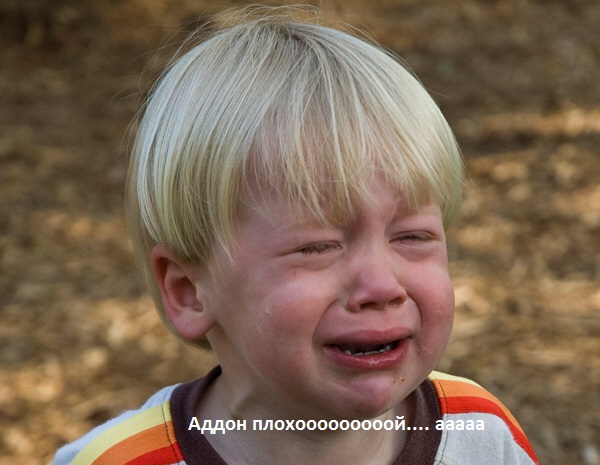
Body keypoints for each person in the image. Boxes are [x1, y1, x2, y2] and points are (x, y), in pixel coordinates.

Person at [54, 6, 538, 465]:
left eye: (411, 237)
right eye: (316, 247)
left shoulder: (481, 434)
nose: (381, 286)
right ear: (189, 292)